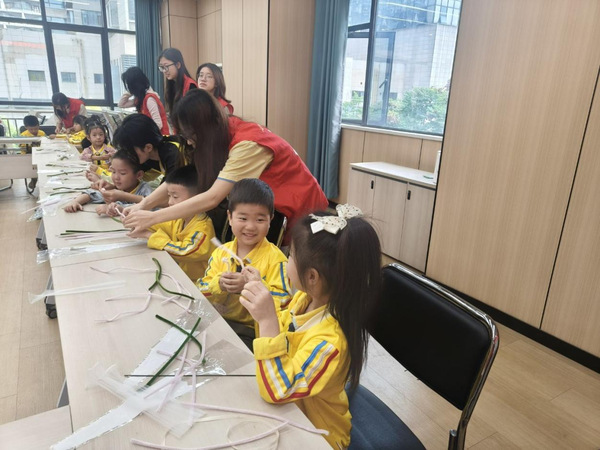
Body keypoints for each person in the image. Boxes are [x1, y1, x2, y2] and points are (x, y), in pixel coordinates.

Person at [239, 206, 382, 448]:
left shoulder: (330, 343)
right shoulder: (305, 299)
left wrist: (266, 321)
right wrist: (263, 298)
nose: (287, 259)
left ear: (312, 277)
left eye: (291, 255)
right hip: (291, 414)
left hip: (318, 435)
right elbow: (284, 328)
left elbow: (278, 391)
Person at [122, 89, 328, 245]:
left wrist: (152, 217)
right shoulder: (220, 134)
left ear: (206, 127)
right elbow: (179, 181)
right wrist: (143, 206)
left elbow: (213, 197)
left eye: (191, 135)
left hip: (302, 210)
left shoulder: (248, 144)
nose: (190, 142)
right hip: (273, 208)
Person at [198, 179, 291, 347]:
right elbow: (201, 289)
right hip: (217, 319)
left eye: (260, 220)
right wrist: (219, 284)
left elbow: (285, 304)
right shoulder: (221, 253)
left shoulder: (277, 261)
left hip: (250, 331)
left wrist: (253, 287)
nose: (250, 227)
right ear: (230, 217)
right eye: (243, 218)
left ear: (270, 220)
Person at [132, 165, 215, 282]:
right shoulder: (179, 219)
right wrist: (138, 222)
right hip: (182, 276)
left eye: (175, 196)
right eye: (169, 196)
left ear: (196, 198)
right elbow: (160, 224)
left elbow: (185, 251)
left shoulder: (203, 228)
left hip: (199, 284)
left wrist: (149, 236)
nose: (170, 202)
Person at [64, 150, 152, 214]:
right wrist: (76, 202)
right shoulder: (118, 188)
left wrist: (120, 209)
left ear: (139, 175)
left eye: (122, 173)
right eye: (113, 172)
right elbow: (93, 194)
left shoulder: (144, 189)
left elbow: (150, 207)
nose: (116, 177)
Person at [112, 114, 182, 186]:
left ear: (148, 147)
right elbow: (133, 177)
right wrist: (113, 186)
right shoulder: (149, 156)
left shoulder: (174, 152)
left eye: (130, 150)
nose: (128, 155)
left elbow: (170, 185)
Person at [119, 67, 169, 135]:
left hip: (161, 136)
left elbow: (158, 124)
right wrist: (130, 92)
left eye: (129, 85)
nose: (128, 88)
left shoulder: (149, 99)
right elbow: (121, 104)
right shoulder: (140, 99)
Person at [158, 48, 197, 114]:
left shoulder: (191, 85)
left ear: (178, 65)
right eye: (162, 67)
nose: (164, 71)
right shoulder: (172, 83)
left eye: (166, 66)